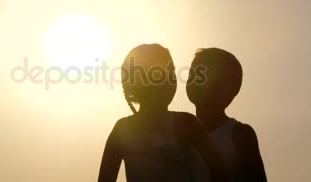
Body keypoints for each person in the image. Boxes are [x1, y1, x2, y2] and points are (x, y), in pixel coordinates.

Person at [98, 44, 225, 182]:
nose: (171, 80)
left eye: (172, 73)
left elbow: (219, 172)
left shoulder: (187, 122)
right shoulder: (121, 131)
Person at [186, 48, 267, 181]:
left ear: (228, 90)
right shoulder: (178, 133)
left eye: (203, 75)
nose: (195, 78)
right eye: (192, 72)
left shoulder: (240, 134)